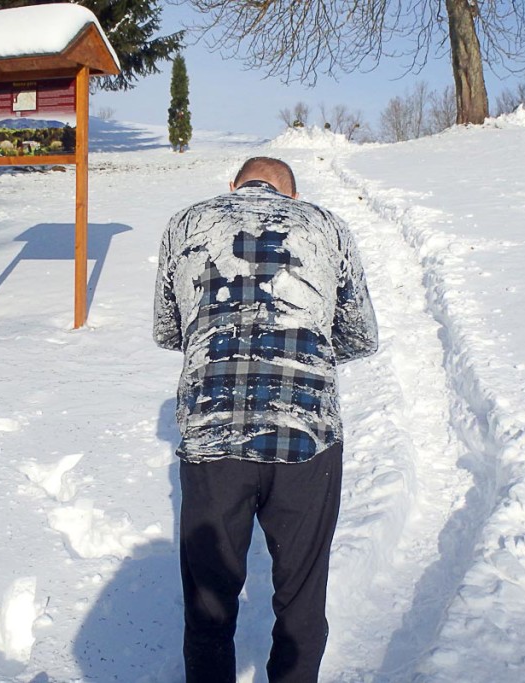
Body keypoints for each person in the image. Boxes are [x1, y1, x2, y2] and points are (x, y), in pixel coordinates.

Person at [153, 156, 378, 682]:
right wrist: (304, 350)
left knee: (209, 605)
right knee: (301, 595)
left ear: (233, 186)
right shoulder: (327, 226)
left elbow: (169, 329)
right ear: (292, 196)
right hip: (307, 437)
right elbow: (361, 335)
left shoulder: (187, 223)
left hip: (213, 437)